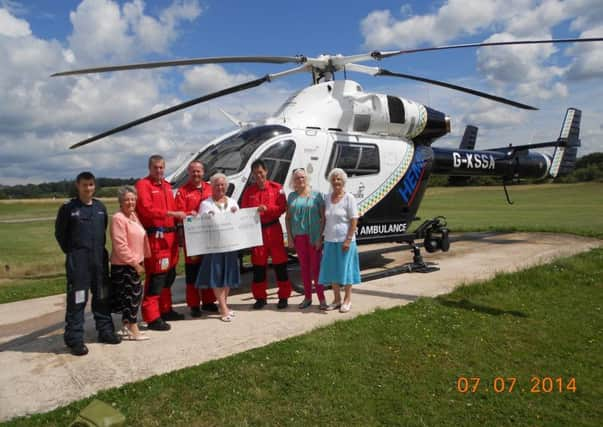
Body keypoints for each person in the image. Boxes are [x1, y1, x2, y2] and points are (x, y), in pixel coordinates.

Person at [55, 172, 121, 356]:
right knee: (78, 300)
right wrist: (74, 253)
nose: (88, 188)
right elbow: (61, 235)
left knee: (102, 297)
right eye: (84, 185)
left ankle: (105, 331)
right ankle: (74, 339)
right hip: (79, 262)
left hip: (99, 261)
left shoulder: (100, 207)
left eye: (91, 184)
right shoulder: (69, 208)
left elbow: (103, 229)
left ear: (94, 186)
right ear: (78, 185)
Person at [135, 154, 186, 331]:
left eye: (161, 167)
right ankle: (152, 316)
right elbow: (147, 210)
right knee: (156, 277)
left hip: (170, 239)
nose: (159, 171)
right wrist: (172, 214)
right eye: (156, 167)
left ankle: (165, 309)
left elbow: (175, 211)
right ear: (150, 168)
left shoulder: (166, 186)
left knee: (169, 275)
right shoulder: (143, 185)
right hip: (156, 239)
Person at [241, 159, 293, 309]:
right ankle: (260, 298)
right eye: (255, 173)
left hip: (274, 230)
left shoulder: (277, 188)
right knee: (258, 267)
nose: (258, 176)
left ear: (266, 171)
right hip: (257, 232)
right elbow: (244, 211)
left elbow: (283, 207)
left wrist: (267, 209)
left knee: (280, 265)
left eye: (260, 172)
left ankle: (283, 297)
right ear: (252, 174)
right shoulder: (249, 192)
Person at [174, 160, 217, 317]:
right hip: (191, 238)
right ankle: (193, 304)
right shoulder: (183, 191)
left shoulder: (210, 188)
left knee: (208, 269)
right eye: (193, 171)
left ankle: (208, 301)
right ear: (189, 173)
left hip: (209, 237)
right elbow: (178, 212)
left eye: (198, 171)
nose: (196, 174)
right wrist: (188, 214)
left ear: (203, 172)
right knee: (192, 272)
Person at [195, 174, 240, 322]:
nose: (220, 188)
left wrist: (236, 215)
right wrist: (209, 216)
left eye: (222, 185)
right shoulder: (206, 204)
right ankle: (223, 308)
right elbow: (203, 221)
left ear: (226, 186)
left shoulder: (233, 202)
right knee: (217, 277)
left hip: (230, 245)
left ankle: (223, 305)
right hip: (214, 246)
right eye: (216, 185)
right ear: (211, 187)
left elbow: (239, 221)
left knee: (227, 276)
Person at [110, 186, 150, 341]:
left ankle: (127, 326)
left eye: (133, 199)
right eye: (126, 199)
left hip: (135, 262)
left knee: (133, 297)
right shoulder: (118, 218)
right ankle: (133, 329)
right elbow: (121, 246)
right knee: (130, 298)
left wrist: (142, 259)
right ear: (120, 201)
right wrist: (135, 264)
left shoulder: (133, 216)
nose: (130, 202)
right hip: (124, 266)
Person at [319, 168, 361, 313]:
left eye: (339, 179)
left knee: (346, 270)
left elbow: (354, 220)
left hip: (345, 241)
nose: (336, 182)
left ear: (343, 181)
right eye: (334, 179)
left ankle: (347, 299)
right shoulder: (327, 198)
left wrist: (348, 240)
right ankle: (336, 299)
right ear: (331, 182)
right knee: (332, 271)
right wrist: (321, 237)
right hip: (330, 240)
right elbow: (324, 219)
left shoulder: (349, 198)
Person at [285, 168, 327, 310]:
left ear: (306, 178)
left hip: (314, 237)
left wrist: (320, 237)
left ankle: (322, 299)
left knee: (316, 269)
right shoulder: (291, 196)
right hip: (299, 237)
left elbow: (323, 219)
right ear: (293, 181)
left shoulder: (317, 196)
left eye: (302, 177)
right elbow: (288, 218)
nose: (300, 180)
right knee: (304, 268)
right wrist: (290, 237)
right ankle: (307, 297)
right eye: (297, 178)